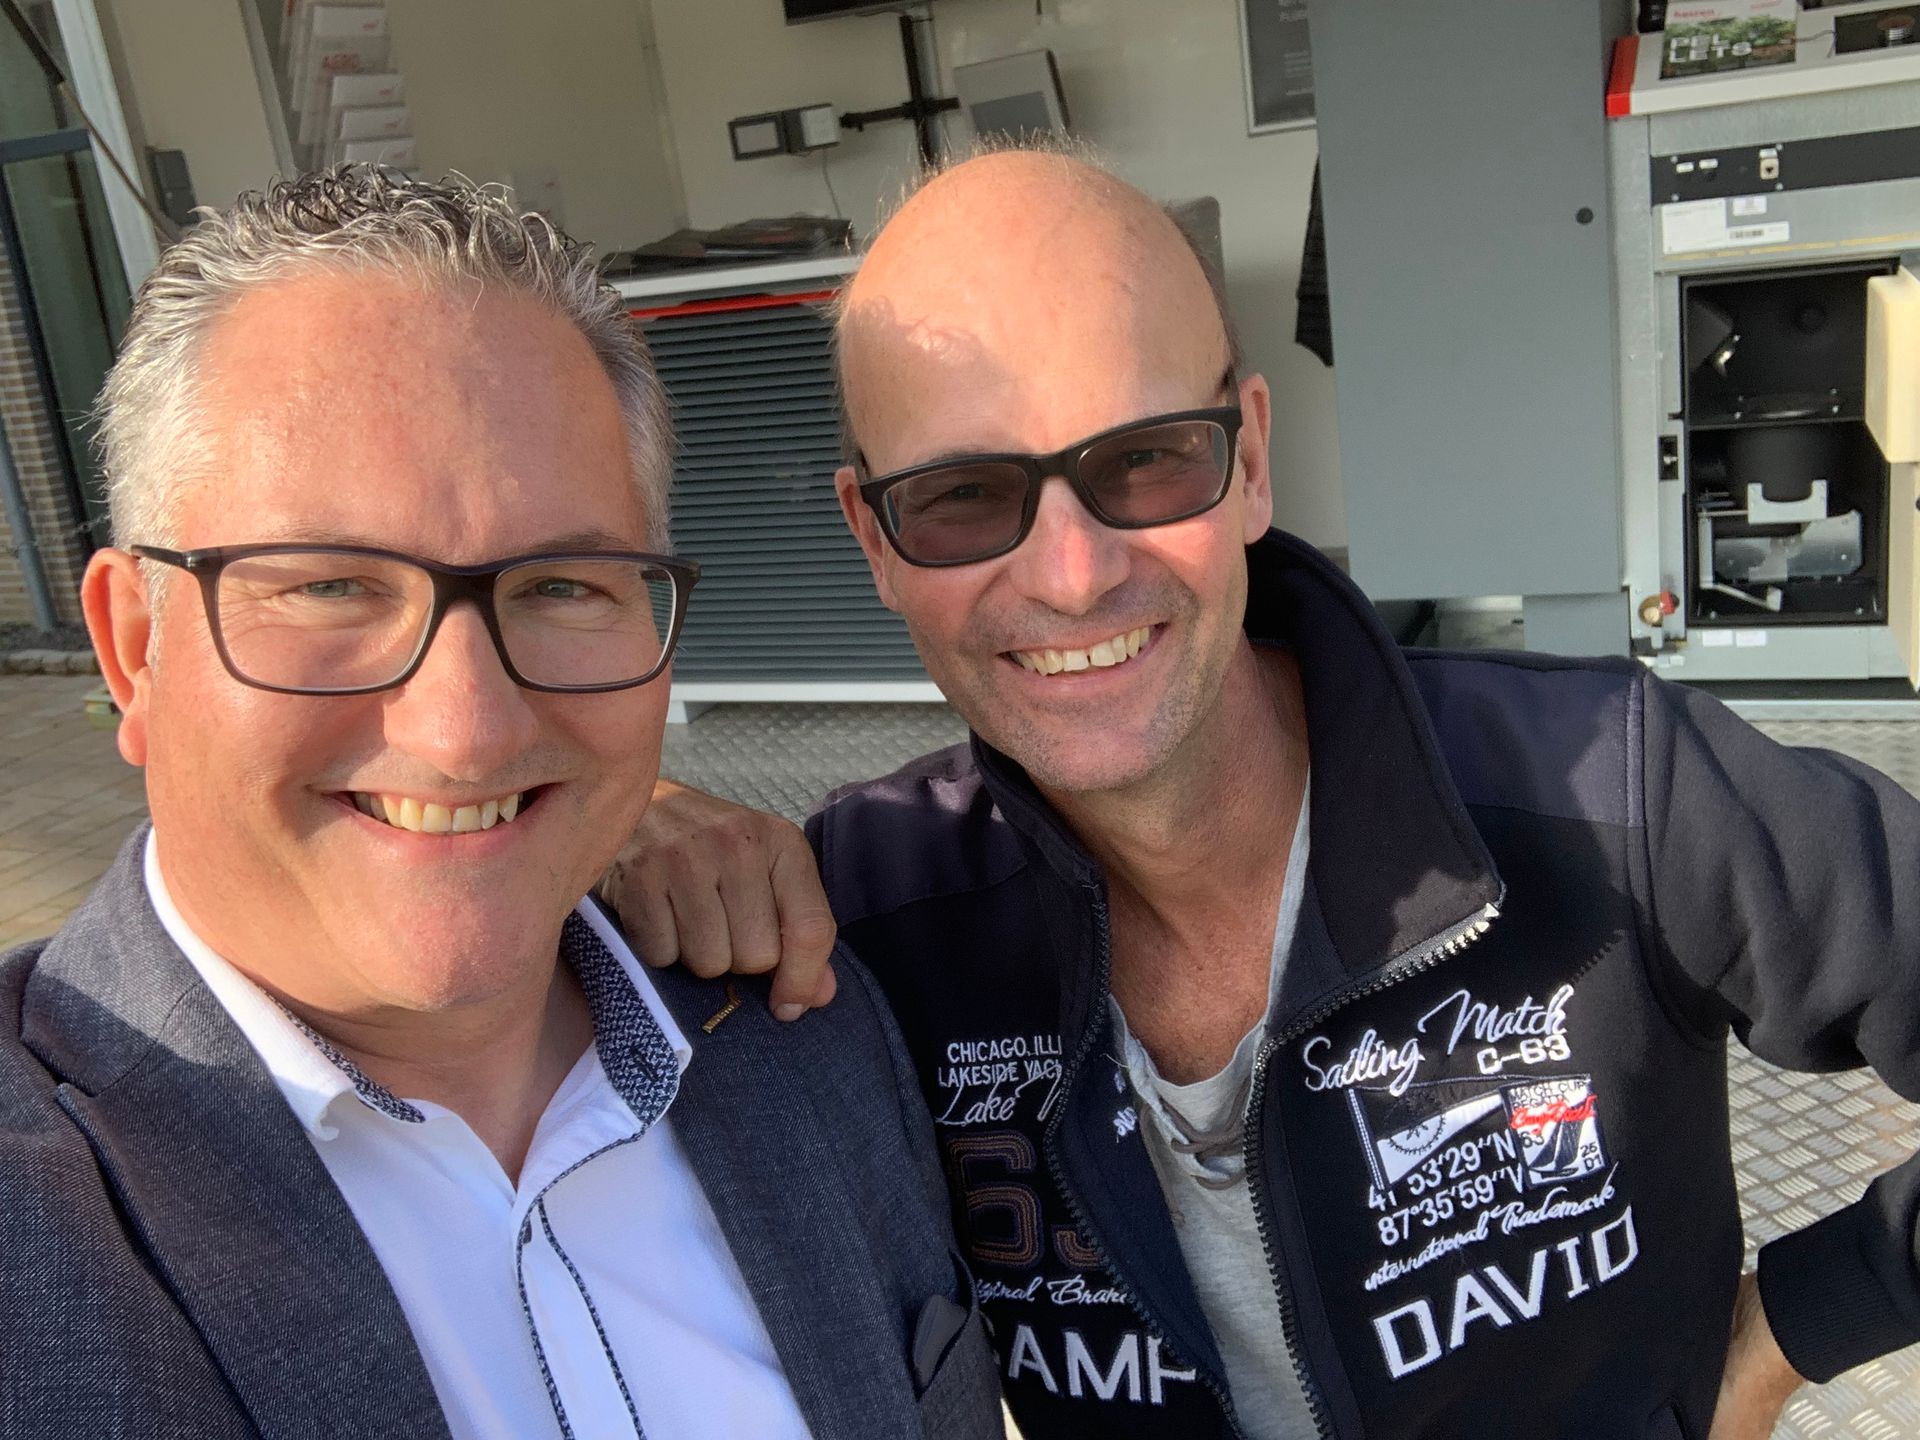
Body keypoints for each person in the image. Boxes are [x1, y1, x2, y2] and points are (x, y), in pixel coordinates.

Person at [611, 148, 1920, 1440]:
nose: (1072, 576)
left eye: (1144, 460)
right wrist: (621, 815)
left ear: (1247, 461)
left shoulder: (1605, 789)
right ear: (873, 540)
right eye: (961, 497)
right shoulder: (862, 916)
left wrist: (1799, 1321)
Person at [0, 166, 999, 1440]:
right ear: (134, 647)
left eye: (562, 586)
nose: (465, 731)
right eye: (329, 585)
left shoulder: (808, 1030)